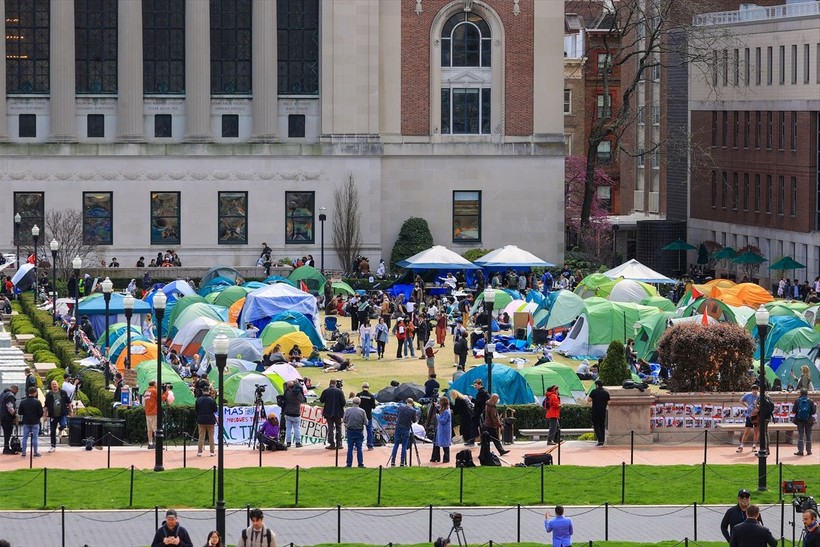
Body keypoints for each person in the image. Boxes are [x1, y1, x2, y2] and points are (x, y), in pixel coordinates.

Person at [44, 380, 72, 453]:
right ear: (51, 386)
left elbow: (68, 402)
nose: (54, 386)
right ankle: (53, 446)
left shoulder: (63, 393)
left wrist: (71, 411)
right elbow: (46, 406)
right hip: (53, 415)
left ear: (58, 385)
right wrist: (45, 415)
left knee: (63, 424)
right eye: (53, 384)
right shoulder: (48, 395)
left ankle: (60, 429)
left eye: (55, 384)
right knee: (52, 431)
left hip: (62, 414)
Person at [389, 398, 417, 466]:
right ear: (412, 403)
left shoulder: (401, 407)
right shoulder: (413, 410)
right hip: (406, 428)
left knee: (396, 445)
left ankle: (393, 461)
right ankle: (402, 462)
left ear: (406, 402)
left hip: (398, 427)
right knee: (404, 446)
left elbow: (397, 415)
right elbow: (414, 421)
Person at [17, 386, 43, 458]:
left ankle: (24, 452)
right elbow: (41, 412)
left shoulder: (23, 402)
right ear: (35, 393)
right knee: (35, 438)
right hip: (35, 421)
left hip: (26, 421)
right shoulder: (37, 402)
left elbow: (20, 412)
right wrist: (37, 417)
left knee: (25, 437)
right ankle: (35, 452)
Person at [319, 379, 346, 449]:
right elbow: (343, 402)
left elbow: (321, 400)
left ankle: (332, 443)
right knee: (338, 428)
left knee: (330, 428)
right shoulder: (340, 391)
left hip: (328, 412)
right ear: (335, 383)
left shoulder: (326, 391)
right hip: (338, 412)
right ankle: (339, 443)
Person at [343, 396, 367, 467]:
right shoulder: (362, 411)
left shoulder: (347, 410)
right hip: (359, 431)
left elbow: (344, 420)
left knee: (350, 448)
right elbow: (366, 422)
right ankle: (360, 463)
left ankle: (349, 464)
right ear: (359, 403)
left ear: (353, 402)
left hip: (350, 430)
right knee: (359, 448)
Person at [791, 388, 816, 456]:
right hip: (808, 420)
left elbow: (794, 410)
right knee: (808, 436)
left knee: (801, 435)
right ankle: (809, 451)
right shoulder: (810, 401)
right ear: (807, 393)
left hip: (799, 420)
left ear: (800, 393)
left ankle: (800, 451)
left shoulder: (797, 400)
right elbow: (813, 412)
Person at [143, 380, 168, 449]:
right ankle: (158, 444)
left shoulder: (146, 391)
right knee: (156, 428)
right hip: (154, 412)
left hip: (148, 412)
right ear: (154, 384)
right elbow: (162, 398)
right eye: (157, 384)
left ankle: (150, 443)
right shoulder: (154, 391)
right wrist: (166, 392)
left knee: (149, 429)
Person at [194, 387, 217, 457]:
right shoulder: (212, 399)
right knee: (211, 437)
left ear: (202, 391)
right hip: (210, 419)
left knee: (201, 436)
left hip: (201, 419)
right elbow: (215, 410)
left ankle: (199, 452)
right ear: (209, 391)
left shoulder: (198, 400)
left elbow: (196, 410)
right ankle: (212, 452)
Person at [282, 381, 305, 448]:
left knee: (288, 428)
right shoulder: (298, 394)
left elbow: (284, 397)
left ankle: (288, 442)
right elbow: (303, 399)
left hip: (288, 412)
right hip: (296, 413)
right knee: (296, 428)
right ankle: (298, 442)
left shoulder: (287, 392)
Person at [587, 380, 610, 446]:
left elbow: (589, 400)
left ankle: (600, 441)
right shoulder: (606, 393)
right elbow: (609, 402)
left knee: (596, 425)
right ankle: (602, 439)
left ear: (597, 385)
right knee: (602, 425)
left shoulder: (594, 391)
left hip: (595, 411)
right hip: (603, 411)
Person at [737, 385, 760, 453]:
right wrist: (747, 406)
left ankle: (754, 446)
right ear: (751, 390)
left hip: (756, 416)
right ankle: (741, 446)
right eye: (753, 390)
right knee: (746, 431)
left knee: (756, 431)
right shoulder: (748, 395)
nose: (754, 391)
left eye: (756, 390)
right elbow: (741, 400)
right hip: (749, 415)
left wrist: (757, 405)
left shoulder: (759, 396)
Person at [466, 379, 489, 446]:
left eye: (476, 385)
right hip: (481, 412)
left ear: (480, 384)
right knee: (481, 427)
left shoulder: (480, 392)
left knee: (474, 426)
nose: (475, 387)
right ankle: (482, 441)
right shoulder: (484, 391)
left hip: (478, 412)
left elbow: (480, 403)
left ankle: (472, 441)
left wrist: (472, 399)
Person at [430, 396, 452, 463]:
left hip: (444, 430)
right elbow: (441, 410)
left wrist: (438, 417)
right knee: (437, 443)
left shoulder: (446, 412)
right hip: (441, 430)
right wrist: (437, 406)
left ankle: (446, 459)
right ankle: (436, 457)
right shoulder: (445, 410)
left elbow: (443, 421)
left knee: (445, 445)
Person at [356, 382, 376, 450]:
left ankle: (357, 445)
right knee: (369, 430)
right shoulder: (371, 396)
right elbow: (373, 406)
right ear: (368, 388)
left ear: (362, 387)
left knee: (358, 430)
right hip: (368, 415)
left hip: (360, 415)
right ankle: (370, 445)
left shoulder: (359, 395)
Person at [1, 385, 19, 454]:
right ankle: (6, 448)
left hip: (2, 416)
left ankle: (6, 447)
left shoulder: (2, 394)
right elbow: (10, 408)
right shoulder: (10, 396)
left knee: (6, 433)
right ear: (15, 389)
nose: (16, 393)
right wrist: (14, 415)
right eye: (16, 391)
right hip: (7, 417)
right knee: (8, 432)